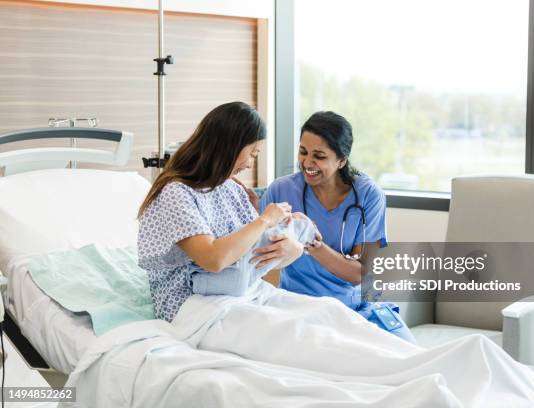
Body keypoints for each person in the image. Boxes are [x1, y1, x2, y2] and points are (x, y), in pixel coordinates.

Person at [137, 101, 305, 322]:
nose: (251, 165)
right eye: (253, 154)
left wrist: (293, 250)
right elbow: (213, 259)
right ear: (230, 146)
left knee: (327, 313)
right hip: (193, 304)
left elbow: (254, 260)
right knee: (296, 333)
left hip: (242, 294)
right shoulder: (176, 193)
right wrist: (264, 220)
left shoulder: (232, 189)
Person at [257, 111, 416, 342]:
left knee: (409, 352)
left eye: (319, 156)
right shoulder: (281, 190)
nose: (307, 163)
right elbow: (259, 254)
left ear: (342, 160)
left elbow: (359, 273)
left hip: (358, 306)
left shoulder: (368, 195)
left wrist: (310, 241)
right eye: (303, 152)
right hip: (298, 306)